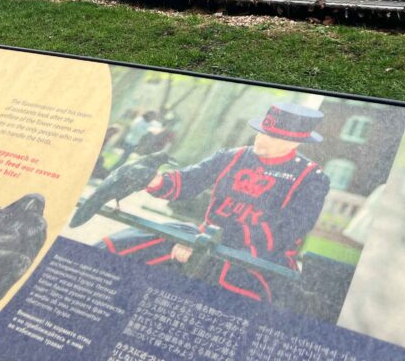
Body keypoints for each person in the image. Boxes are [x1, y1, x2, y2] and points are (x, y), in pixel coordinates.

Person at [102, 103, 330, 303]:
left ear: (295, 143)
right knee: (122, 246)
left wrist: (210, 246)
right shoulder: (234, 156)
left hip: (258, 258)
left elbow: (286, 232)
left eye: (271, 136)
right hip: (203, 240)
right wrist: (154, 179)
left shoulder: (311, 178)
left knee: (233, 298)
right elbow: (189, 180)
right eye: (261, 132)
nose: (260, 139)